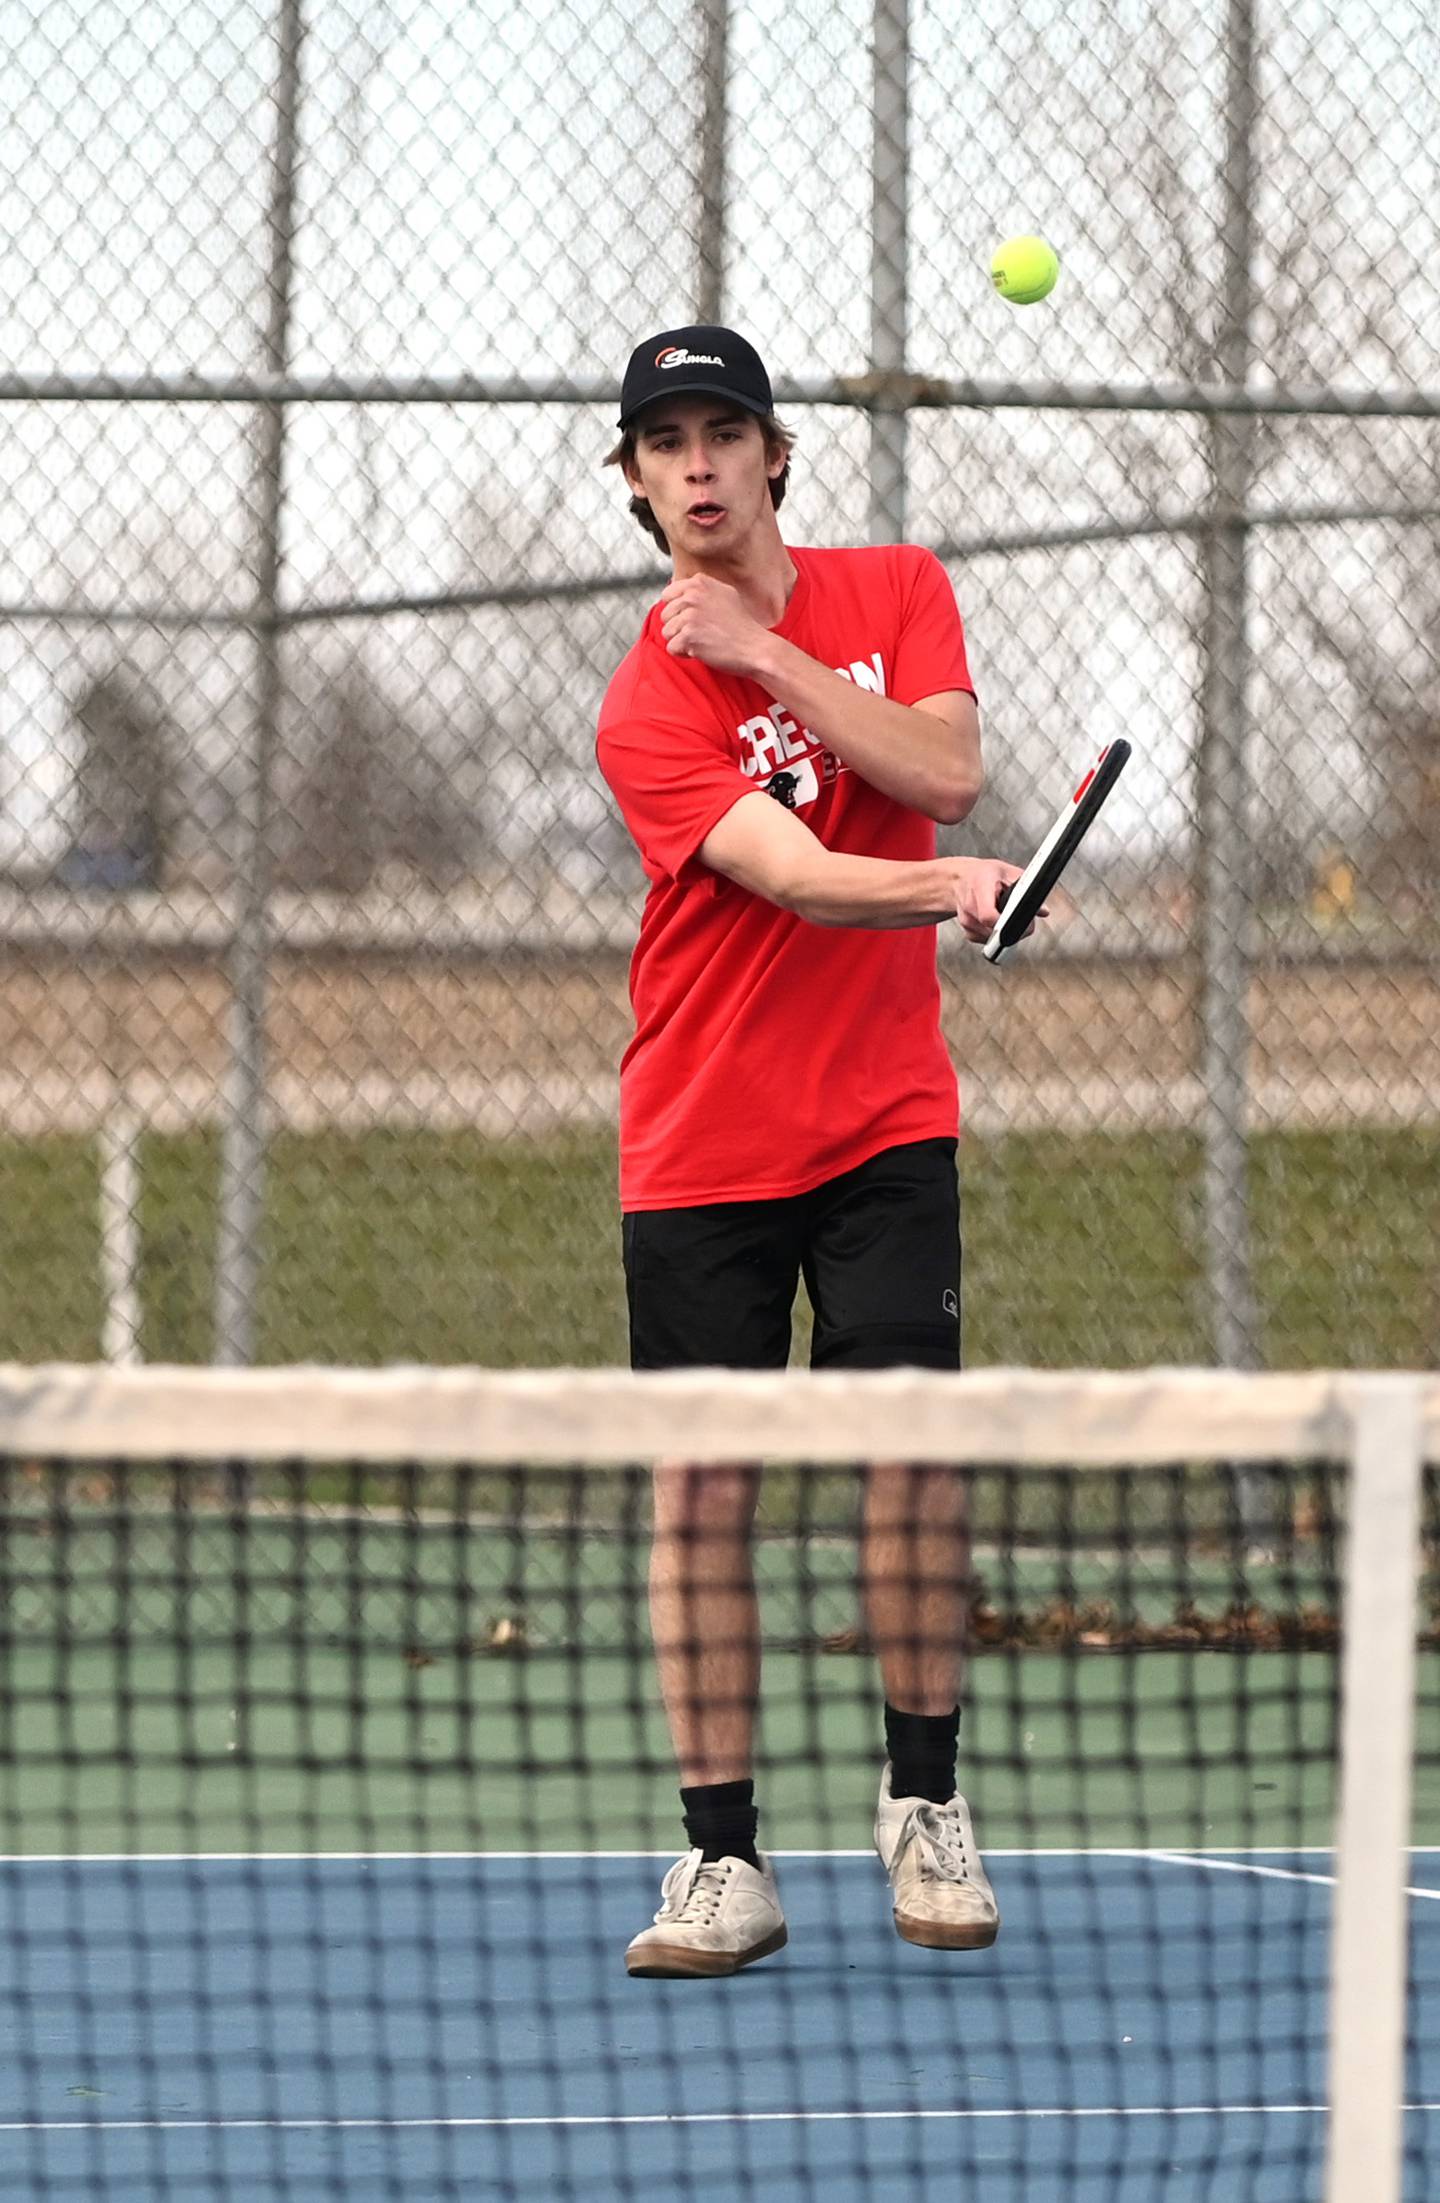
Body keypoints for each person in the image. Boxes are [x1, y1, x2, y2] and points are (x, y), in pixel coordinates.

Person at [595, 324, 1029, 1980]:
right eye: (664, 443)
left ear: (775, 454)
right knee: (702, 1492)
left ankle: (925, 1803)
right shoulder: (644, 698)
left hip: (884, 1125)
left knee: (910, 1450)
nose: (696, 465)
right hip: (701, 1138)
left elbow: (946, 766)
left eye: (723, 432)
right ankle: (724, 1860)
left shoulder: (902, 585)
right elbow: (788, 868)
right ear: (637, 483)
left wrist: (773, 659)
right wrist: (948, 885)